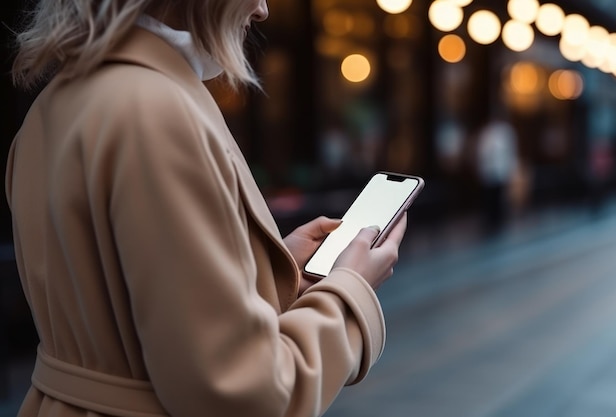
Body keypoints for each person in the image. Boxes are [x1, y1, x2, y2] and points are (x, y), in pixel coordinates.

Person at [6, 1, 408, 417]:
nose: (262, 10)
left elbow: (117, 301)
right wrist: (348, 291)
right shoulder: (159, 109)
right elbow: (241, 394)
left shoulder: (54, 104)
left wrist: (260, 267)